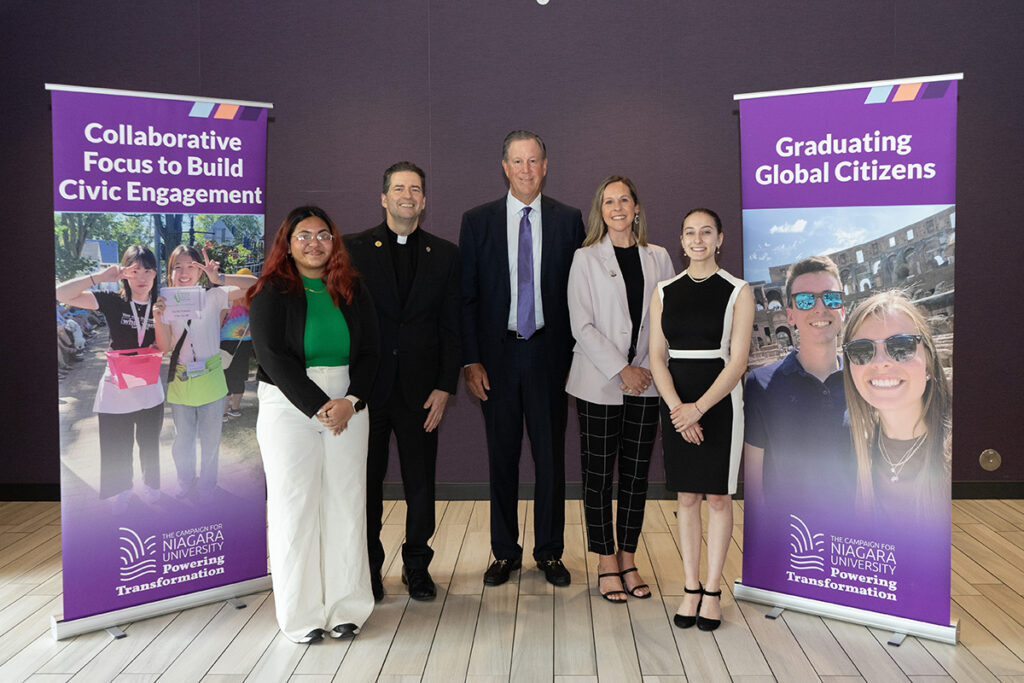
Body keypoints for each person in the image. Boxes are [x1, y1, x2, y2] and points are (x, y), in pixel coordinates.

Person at [248, 205, 379, 644]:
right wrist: (319, 406)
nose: (314, 243)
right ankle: (301, 616)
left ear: (334, 241)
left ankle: (347, 608)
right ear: (287, 244)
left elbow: (372, 352)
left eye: (323, 235)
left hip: (347, 403)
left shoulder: (352, 287)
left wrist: (350, 402)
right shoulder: (270, 291)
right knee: (294, 508)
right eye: (303, 235)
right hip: (289, 406)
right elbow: (271, 356)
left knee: (347, 503)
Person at [460, 130, 586, 587]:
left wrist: (577, 356)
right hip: (496, 359)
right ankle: (505, 552)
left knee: (550, 458)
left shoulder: (569, 220)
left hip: (550, 355)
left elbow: (581, 294)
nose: (526, 169)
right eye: (518, 161)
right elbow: (466, 297)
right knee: (502, 457)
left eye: (534, 161)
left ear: (545, 166)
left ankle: (549, 552)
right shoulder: (478, 221)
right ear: (505, 167)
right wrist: (470, 360)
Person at [345, 162, 461, 602]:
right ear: (384, 197)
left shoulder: (445, 254)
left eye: (415, 189)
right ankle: (369, 568)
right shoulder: (352, 249)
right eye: (398, 188)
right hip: (367, 391)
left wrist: (445, 386)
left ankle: (417, 566)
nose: (407, 195)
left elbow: (452, 325)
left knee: (420, 485)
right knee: (366, 486)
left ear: (424, 200)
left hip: (422, 393)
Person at [565, 175, 674, 602]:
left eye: (624, 200)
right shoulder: (585, 258)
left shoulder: (659, 257)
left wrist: (643, 369)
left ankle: (628, 558)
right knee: (597, 475)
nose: (617, 208)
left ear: (636, 207)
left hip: (647, 381)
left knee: (635, 475)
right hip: (599, 382)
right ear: (601, 210)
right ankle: (606, 560)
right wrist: (621, 369)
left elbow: (667, 320)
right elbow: (582, 325)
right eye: (608, 202)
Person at [649, 208, 754, 631]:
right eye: (690, 232)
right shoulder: (663, 290)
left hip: (720, 402)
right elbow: (657, 357)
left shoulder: (738, 291)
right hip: (675, 403)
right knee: (687, 498)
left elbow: (738, 361)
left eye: (706, 232)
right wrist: (679, 409)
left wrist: (698, 408)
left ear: (720, 238)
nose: (698, 239)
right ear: (681, 240)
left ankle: (713, 591)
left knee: (718, 499)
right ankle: (690, 588)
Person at [55, 245, 164, 512]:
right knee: (117, 443)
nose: (142, 277)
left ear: (155, 273)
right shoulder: (112, 299)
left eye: (147, 270)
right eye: (135, 270)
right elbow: (60, 293)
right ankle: (121, 490)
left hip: (149, 384)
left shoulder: (162, 303)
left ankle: (152, 485)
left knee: (149, 441)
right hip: (117, 385)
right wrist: (100, 277)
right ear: (125, 273)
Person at [742, 256, 856, 509]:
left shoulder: (863, 381)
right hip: (789, 529)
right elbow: (754, 484)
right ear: (790, 315)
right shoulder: (760, 384)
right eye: (805, 300)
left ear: (842, 309)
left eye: (831, 298)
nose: (819, 308)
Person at [152, 245, 255, 500]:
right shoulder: (165, 301)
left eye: (191, 266)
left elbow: (255, 284)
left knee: (211, 438)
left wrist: (219, 278)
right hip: (182, 377)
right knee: (183, 439)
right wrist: (157, 317)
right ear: (170, 272)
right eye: (177, 267)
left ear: (200, 271)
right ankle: (185, 482)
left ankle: (208, 485)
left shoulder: (214, 295)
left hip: (211, 375)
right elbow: (165, 347)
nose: (184, 272)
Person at [841, 290, 951, 522]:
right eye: (862, 351)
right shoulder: (850, 452)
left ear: (929, 364)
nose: (880, 363)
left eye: (902, 346)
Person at [219, 267, 255, 421]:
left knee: (226, 376)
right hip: (244, 343)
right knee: (239, 377)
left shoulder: (228, 301)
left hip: (226, 343)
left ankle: (224, 412)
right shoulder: (253, 302)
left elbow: (219, 323)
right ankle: (235, 409)